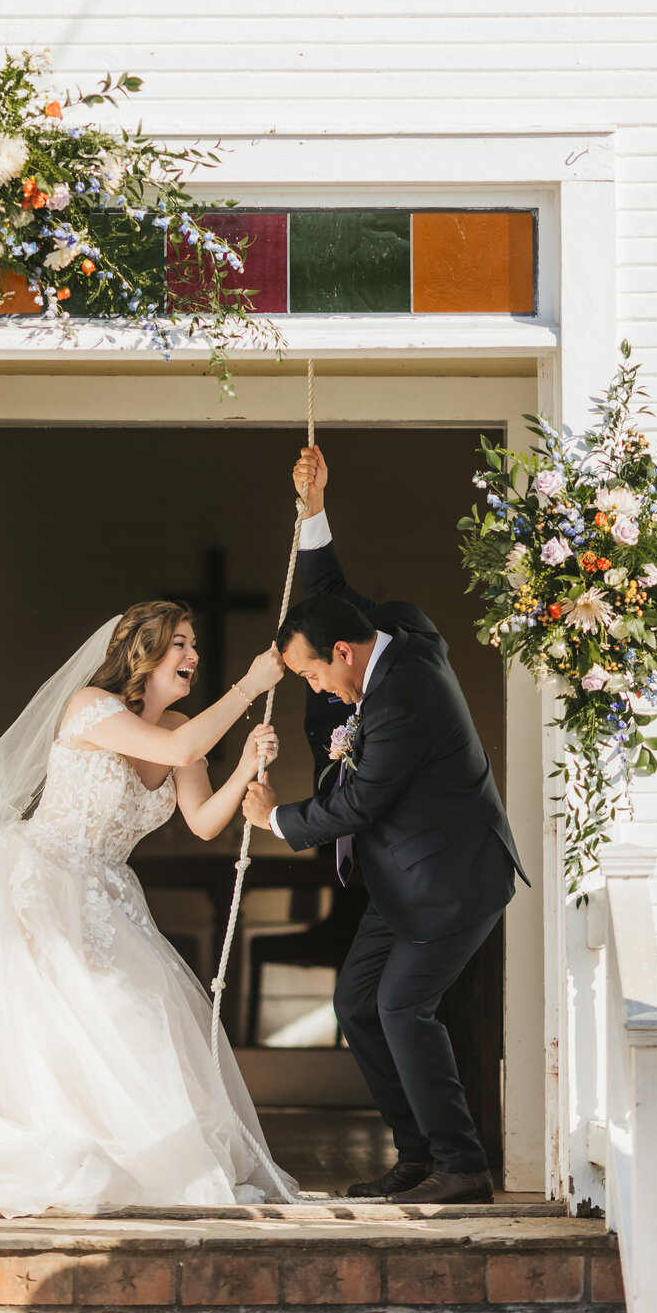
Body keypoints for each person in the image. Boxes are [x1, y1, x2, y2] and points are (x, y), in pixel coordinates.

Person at [0, 602, 298, 1213]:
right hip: (41, 878)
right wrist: (249, 685)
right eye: (180, 645)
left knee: (131, 1017)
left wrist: (245, 765)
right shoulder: (91, 707)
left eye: (194, 646)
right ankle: (61, 1140)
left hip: (107, 893)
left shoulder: (181, 729)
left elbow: (203, 823)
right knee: (59, 1017)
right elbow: (185, 751)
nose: (193, 656)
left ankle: (135, 1151)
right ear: (145, 651)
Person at [243, 446, 528, 1205]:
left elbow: (358, 803)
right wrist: (313, 509)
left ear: (344, 654)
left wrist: (277, 819)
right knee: (358, 1005)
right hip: (405, 880)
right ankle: (417, 1154)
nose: (316, 691)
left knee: (403, 1005)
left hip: (454, 882)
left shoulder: (406, 698)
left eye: (311, 676)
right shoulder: (391, 629)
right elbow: (331, 596)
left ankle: (462, 1167)